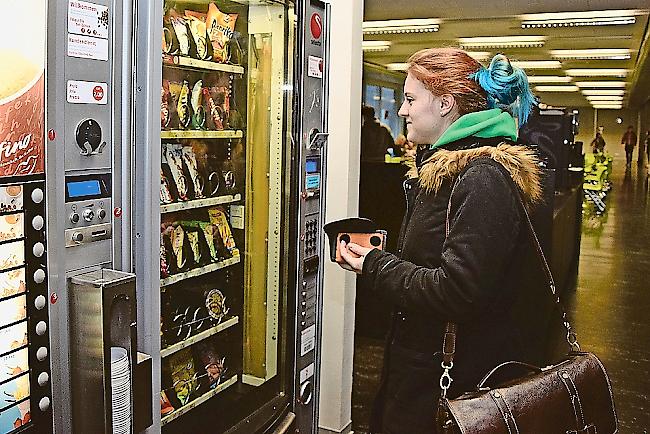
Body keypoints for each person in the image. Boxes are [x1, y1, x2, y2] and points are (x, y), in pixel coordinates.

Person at [338, 48, 543, 433]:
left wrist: (374, 264)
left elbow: (457, 291)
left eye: (411, 99)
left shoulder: (483, 179)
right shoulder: (446, 171)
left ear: (446, 104)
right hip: (424, 374)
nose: (401, 110)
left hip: (450, 385)